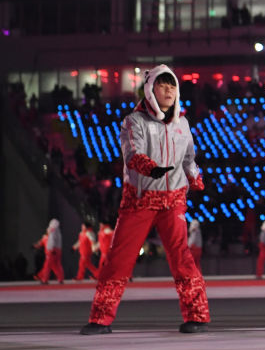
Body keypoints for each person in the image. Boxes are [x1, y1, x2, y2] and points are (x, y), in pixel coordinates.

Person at [80, 65, 209, 335]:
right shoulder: (133, 121)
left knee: (182, 258)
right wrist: (149, 167)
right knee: (119, 259)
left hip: (174, 199)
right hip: (139, 200)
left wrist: (195, 178)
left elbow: (189, 158)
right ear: (150, 90)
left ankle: (197, 315)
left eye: (172, 86)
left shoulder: (182, 124)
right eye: (162, 86)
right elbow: (131, 154)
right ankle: (100, 318)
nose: (169, 91)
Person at [33, 219, 64, 284]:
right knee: (56, 265)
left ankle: (44, 279)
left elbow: (51, 241)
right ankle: (60, 279)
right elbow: (40, 243)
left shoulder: (52, 232)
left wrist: (52, 249)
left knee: (47, 266)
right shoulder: (58, 232)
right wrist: (35, 246)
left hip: (51, 251)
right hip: (58, 250)